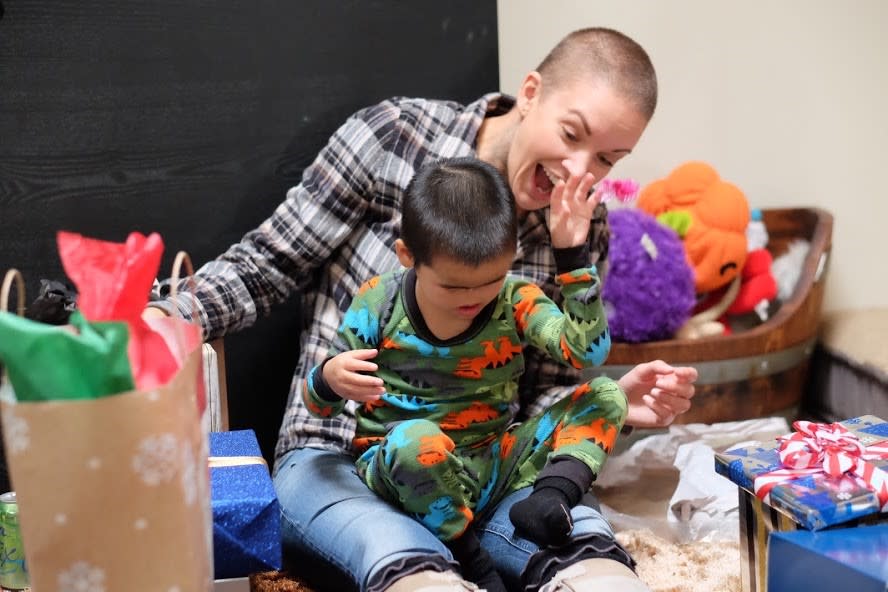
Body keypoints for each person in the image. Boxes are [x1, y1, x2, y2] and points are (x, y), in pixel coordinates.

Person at [148, 26, 698, 592]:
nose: (578, 169)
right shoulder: (395, 138)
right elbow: (264, 265)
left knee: (585, 549)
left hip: (485, 463)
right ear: (530, 92)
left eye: (608, 158)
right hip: (341, 453)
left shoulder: (577, 226)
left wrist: (614, 407)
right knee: (409, 559)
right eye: (571, 134)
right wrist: (161, 318)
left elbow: (553, 384)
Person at [305, 156, 626, 592]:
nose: (473, 298)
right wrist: (329, 378)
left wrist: (572, 257)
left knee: (606, 394)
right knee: (415, 441)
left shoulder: (515, 299)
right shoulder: (378, 303)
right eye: (454, 287)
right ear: (407, 256)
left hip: (493, 457)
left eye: (490, 280)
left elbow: (585, 350)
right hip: (406, 464)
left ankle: (551, 499)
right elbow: (317, 405)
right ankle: (472, 557)